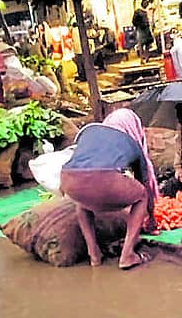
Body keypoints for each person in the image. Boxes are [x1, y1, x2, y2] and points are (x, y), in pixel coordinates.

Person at [60, 109, 159, 269]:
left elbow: (77, 160)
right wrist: (152, 217)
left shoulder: (91, 132)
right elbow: (145, 185)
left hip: (67, 179)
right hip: (101, 178)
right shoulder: (131, 143)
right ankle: (127, 255)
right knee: (141, 196)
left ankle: (94, 254)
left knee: (82, 203)